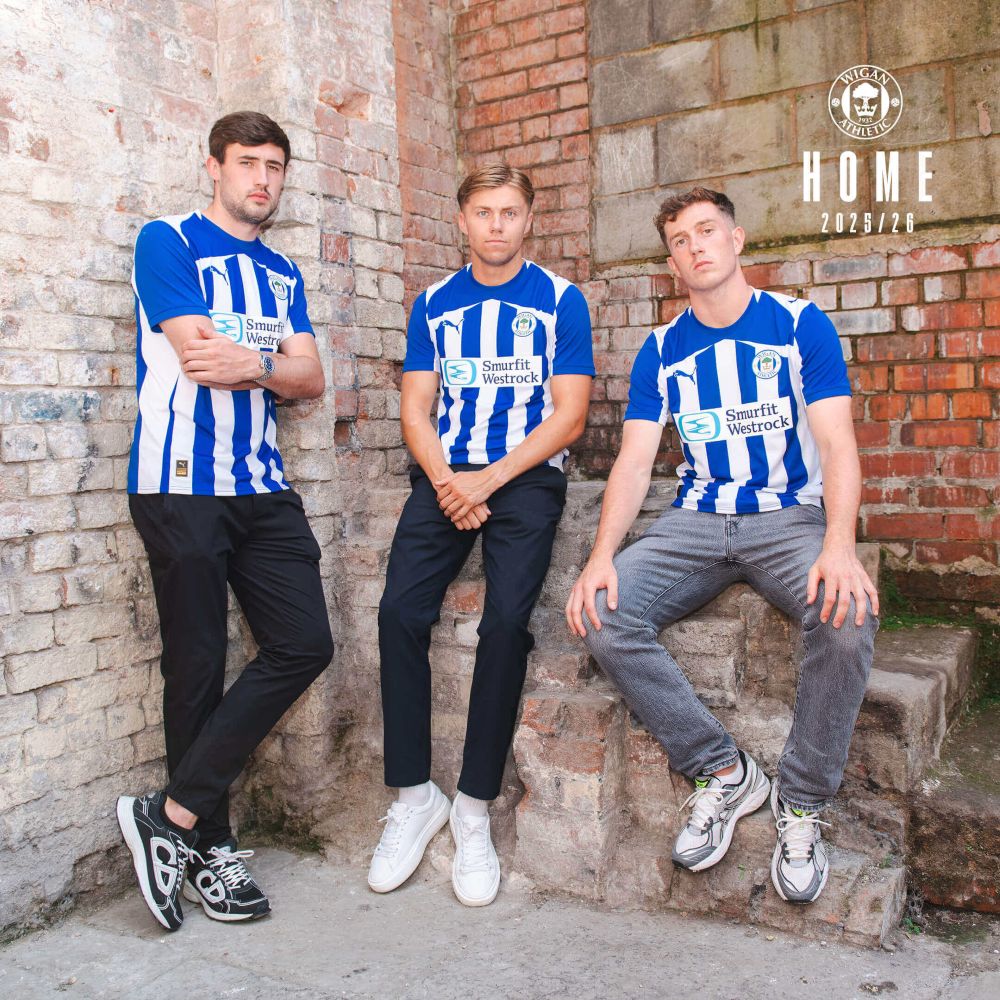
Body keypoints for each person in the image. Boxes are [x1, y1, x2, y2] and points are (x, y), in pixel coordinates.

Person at [566, 187, 879, 905]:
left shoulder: (798, 325)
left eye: (707, 231)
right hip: (696, 521)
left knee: (848, 617)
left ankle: (801, 801)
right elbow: (634, 461)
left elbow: (838, 443)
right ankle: (724, 771)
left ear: (736, 240)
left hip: (787, 517)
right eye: (680, 240)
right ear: (672, 263)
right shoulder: (661, 349)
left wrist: (839, 543)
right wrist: (601, 556)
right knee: (602, 613)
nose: (696, 246)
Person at [117, 111, 333, 930]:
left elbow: (312, 380)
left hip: (261, 484)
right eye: (248, 163)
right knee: (198, 666)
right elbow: (198, 353)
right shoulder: (167, 240)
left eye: (275, 166)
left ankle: (167, 816)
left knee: (304, 643)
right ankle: (209, 846)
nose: (263, 179)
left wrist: (258, 365)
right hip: (180, 482)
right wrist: (273, 366)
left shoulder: (281, 273)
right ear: (214, 167)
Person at [369, 164, 594, 907]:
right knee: (399, 612)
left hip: (523, 477)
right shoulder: (435, 304)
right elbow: (416, 409)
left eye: (510, 212)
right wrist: (448, 483)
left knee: (503, 625)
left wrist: (487, 482)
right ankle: (414, 797)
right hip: (445, 474)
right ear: (461, 220)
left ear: (529, 219)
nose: (497, 225)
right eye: (484, 212)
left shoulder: (559, 300)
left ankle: (472, 808)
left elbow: (569, 416)